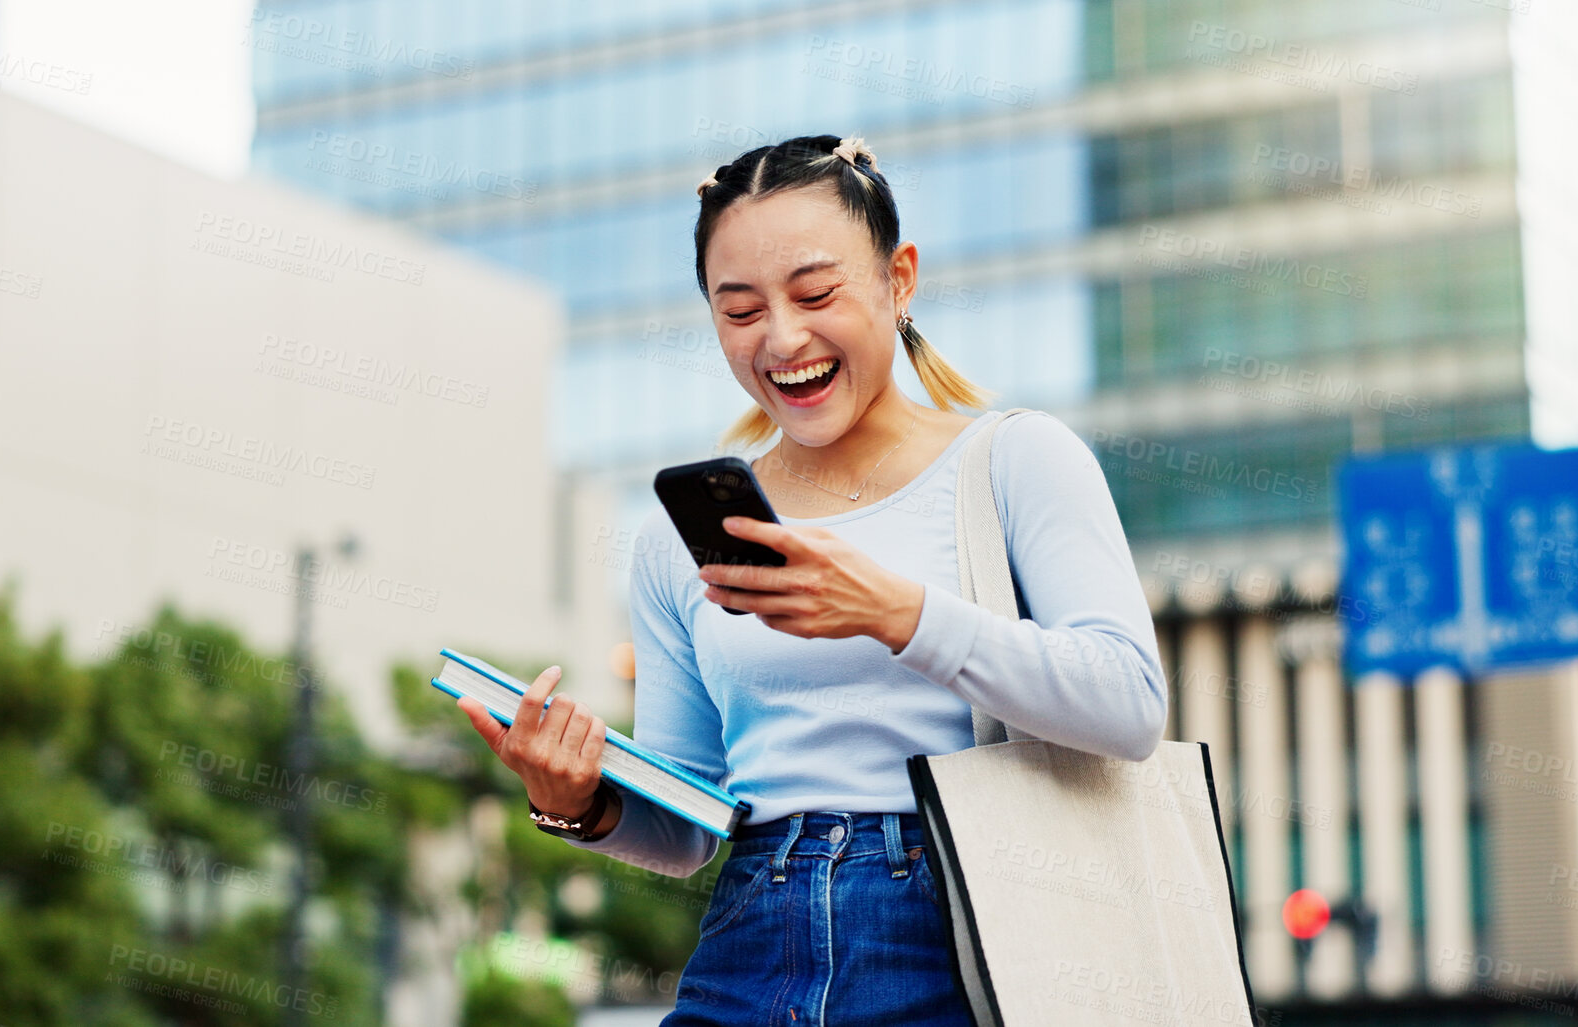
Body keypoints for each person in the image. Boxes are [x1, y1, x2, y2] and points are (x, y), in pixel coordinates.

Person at [458, 133, 1169, 1026]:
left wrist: (893, 612)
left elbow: (1130, 704)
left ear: (898, 279)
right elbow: (686, 825)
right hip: (753, 934)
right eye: (740, 310)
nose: (782, 338)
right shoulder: (675, 541)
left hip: (968, 929)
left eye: (815, 293)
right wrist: (578, 803)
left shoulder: (1014, 461)